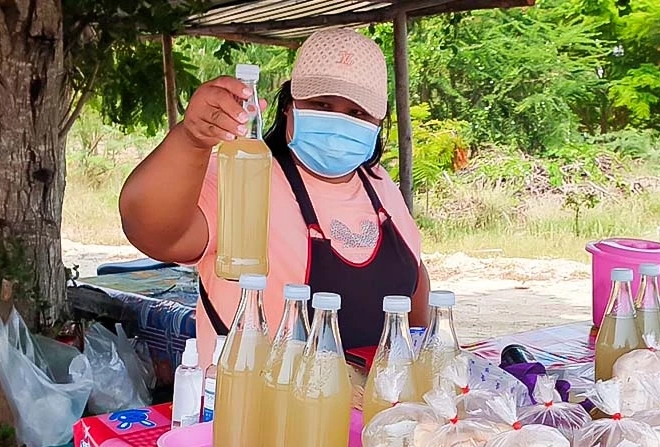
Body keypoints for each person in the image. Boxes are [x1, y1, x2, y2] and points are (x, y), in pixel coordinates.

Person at [119, 28, 431, 365]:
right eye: (322, 104)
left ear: (378, 120)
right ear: (289, 106)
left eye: (356, 113)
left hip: (373, 411)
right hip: (262, 409)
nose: (338, 121)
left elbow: (412, 278)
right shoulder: (243, 173)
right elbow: (153, 230)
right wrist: (192, 139)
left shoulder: (379, 183)